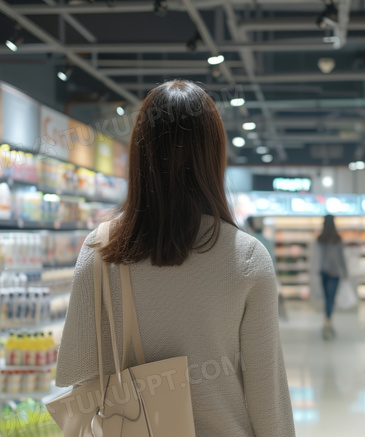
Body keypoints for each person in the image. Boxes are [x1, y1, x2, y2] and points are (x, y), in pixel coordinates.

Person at [55, 80, 295, 437]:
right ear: (214, 156)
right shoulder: (246, 257)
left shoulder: (100, 251)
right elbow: (266, 393)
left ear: (140, 154)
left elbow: (81, 377)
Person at [247, 216, 287, 320]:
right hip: (266, 277)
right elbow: (273, 262)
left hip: (251, 279)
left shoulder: (248, 241)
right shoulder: (268, 242)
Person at [316, 214, 347, 340]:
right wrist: (344, 271)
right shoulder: (337, 239)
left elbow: (318, 257)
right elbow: (341, 257)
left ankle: (327, 321)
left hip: (324, 272)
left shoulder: (320, 239)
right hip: (335, 273)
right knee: (331, 298)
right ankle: (329, 322)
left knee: (326, 298)